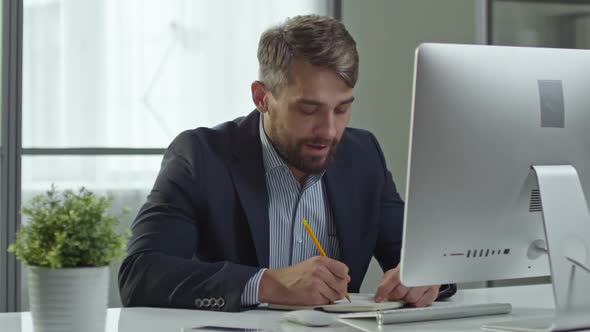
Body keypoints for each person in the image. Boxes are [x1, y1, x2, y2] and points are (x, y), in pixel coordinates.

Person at [118, 14, 455, 313]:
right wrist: (267, 284)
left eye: (341, 109)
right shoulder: (200, 156)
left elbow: (419, 257)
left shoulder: (363, 154)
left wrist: (425, 277)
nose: (329, 130)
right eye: (308, 110)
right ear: (261, 98)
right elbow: (140, 274)